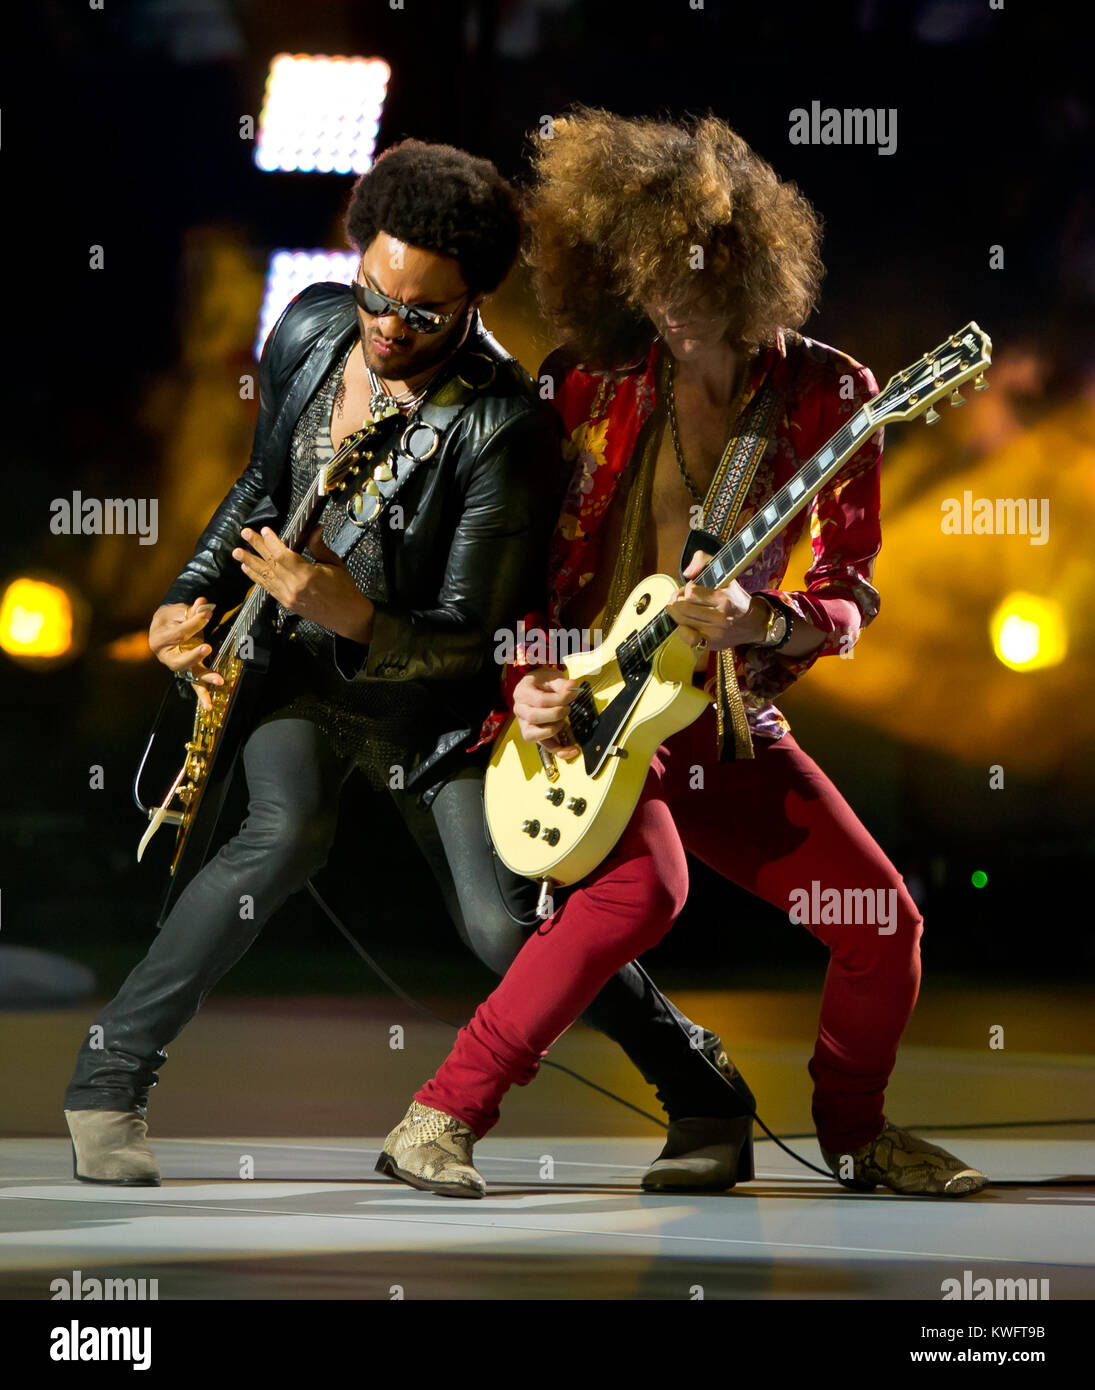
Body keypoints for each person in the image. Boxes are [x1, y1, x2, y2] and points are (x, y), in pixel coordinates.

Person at [64, 136, 751, 1187]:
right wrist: (186, 598)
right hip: (302, 670)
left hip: (436, 706)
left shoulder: (503, 427)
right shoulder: (309, 330)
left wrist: (355, 615)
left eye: (421, 313)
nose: (386, 327)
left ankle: (701, 1089)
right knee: (278, 832)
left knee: (499, 924)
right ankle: (107, 1083)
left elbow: (473, 635)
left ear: (474, 298)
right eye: (373, 294)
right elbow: (261, 490)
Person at [378, 110, 988, 1200]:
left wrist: (769, 624)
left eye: (701, 279)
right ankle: (440, 1115)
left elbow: (849, 588)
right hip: (596, 706)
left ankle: (856, 1135)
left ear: (759, 271)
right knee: (640, 894)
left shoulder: (834, 397)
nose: (675, 304)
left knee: (882, 924)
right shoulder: (587, 383)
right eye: (655, 278)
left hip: (724, 714)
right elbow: (527, 581)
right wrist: (533, 686)